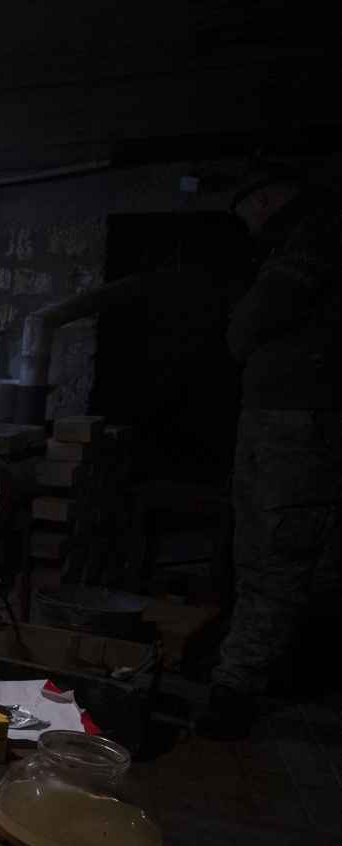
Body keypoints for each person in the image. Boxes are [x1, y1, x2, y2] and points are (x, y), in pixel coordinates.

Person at [197, 165, 342, 739]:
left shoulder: (319, 236)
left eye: (248, 208)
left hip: (302, 424)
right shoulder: (299, 239)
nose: (248, 222)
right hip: (278, 419)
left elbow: (257, 318)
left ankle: (239, 685)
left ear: (273, 193)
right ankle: (249, 664)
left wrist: (242, 331)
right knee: (261, 546)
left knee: (279, 554)